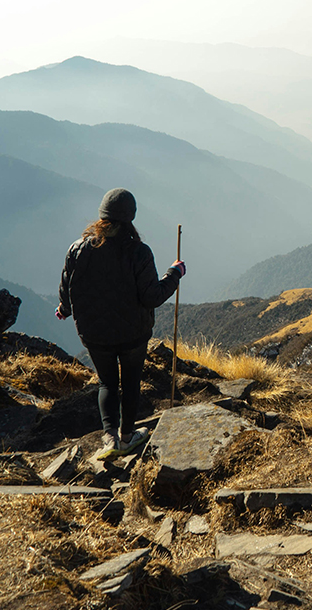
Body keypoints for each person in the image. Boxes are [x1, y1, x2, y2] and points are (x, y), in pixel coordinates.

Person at [57, 188, 185, 460]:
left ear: (102, 215)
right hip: (132, 334)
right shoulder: (138, 252)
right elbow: (152, 297)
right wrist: (174, 274)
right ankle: (127, 438)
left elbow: (68, 285)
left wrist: (65, 309)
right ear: (131, 217)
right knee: (130, 383)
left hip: (94, 334)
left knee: (106, 383)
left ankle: (109, 437)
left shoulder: (78, 249)